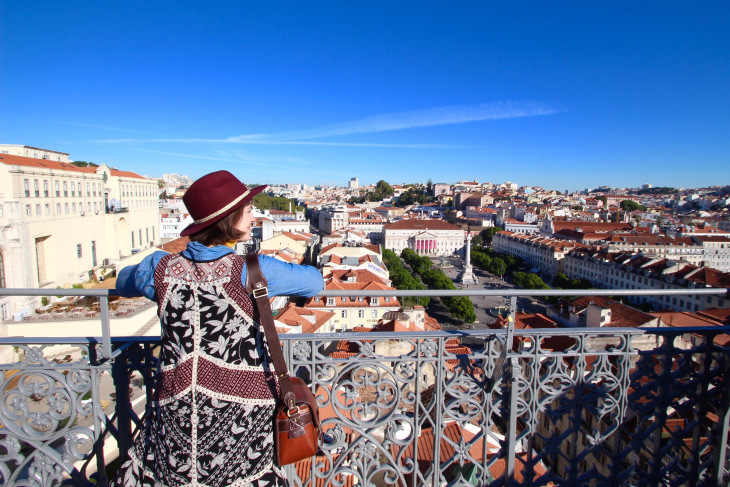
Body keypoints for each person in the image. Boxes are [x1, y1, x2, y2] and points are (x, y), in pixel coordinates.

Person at [110, 170, 324, 487]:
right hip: (244, 411)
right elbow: (314, 282)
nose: (255, 217)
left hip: (177, 404)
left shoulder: (159, 268)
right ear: (230, 218)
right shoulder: (253, 269)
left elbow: (121, 282)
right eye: (249, 210)